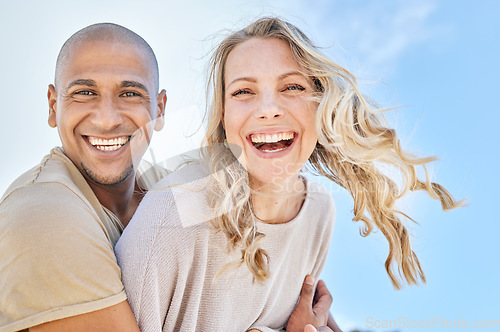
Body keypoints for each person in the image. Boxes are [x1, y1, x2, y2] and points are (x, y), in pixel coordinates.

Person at [115, 17, 462, 332]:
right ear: (223, 115)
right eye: (243, 92)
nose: (268, 110)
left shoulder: (318, 211)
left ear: (319, 104)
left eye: (292, 87)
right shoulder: (172, 216)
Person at [0, 23, 167, 331]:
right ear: (53, 106)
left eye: (129, 93)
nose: (107, 119)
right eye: (84, 93)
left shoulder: (166, 188)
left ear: (159, 108)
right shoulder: (41, 214)